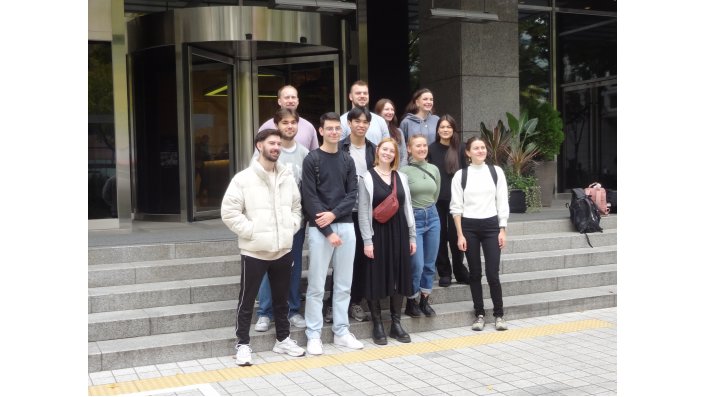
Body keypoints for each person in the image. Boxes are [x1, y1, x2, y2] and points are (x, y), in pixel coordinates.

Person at [221, 128, 306, 366]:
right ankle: (242, 345)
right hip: (254, 251)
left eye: (279, 144)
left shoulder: (287, 176)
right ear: (260, 145)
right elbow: (228, 213)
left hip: (282, 250)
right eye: (272, 143)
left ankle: (283, 339)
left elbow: (297, 207)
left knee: (282, 300)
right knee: (247, 301)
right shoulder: (243, 179)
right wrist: (252, 232)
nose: (276, 147)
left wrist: (291, 226)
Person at [301, 112, 364, 355]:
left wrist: (334, 216)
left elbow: (352, 195)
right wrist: (327, 229)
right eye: (329, 128)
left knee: (343, 284)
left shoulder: (347, 160)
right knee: (316, 285)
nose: (334, 132)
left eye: (338, 128)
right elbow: (310, 198)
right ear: (321, 131)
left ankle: (341, 331)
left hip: (346, 225)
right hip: (319, 229)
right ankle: (313, 334)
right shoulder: (312, 159)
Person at [252, 108, 309, 333]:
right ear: (277, 125)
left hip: (295, 222)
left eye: (293, 122)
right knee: (268, 267)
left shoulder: (304, 153)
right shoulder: (269, 149)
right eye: (285, 123)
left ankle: (292, 310)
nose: (289, 126)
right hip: (269, 222)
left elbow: (307, 189)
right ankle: (265, 313)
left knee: (293, 268)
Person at [358, 138, 416, 345]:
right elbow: (364, 212)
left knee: (399, 275)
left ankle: (396, 324)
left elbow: (407, 207)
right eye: (384, 149)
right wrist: (367, 240)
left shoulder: (401, 176)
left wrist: (412, 235)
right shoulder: (367, 177)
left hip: (399, 230)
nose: (388, 153)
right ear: (377, 152)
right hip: (377, 233)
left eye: (391, 150)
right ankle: (377, 324)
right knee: (376, 276)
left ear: (395, 155)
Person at [450, 136, 510, 332]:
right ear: (467, 152)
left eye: (483, 147)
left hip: (492, 226)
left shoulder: (496, 172)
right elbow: (456, 207)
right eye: (476, 148)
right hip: (469, 227)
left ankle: (499, 315)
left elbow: (502, 202)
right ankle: (479, 314)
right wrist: (460, 235)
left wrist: (503, 229)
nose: (480, 151)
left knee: (493, 273)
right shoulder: (461, 175)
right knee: (475, 273)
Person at [333, 106, 377, 323]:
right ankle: (333, 305)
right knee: (340, 260)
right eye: (357, 121)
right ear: (348, 123)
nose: (361, 125)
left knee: (361, 259)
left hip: (366, 212)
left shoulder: (374, 150)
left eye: (365, 122)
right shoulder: (340, 148)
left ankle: (355, 302)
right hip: (343, 211)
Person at [399, 134, 441, 318]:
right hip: (414, 219)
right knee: (416, 264)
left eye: (424, 145)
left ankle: (424, 300)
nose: (422, 148)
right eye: (418, 146)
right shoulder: (404, 172)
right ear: (409, 148)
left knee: (429, 264)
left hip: (432, 217)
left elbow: (436, 194)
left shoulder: (434, 169)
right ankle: (411, 300)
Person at [427, 114, 470, 287]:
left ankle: (460, 270)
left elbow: (468, 174)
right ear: (437, 129)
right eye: (442, 127)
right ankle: (444, 272)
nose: (445, 130)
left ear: (454, 129)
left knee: (456, 236)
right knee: (440, 236)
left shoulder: (461, 148)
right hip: (436, 200)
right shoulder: (431, 149)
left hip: (457, 201)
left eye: (448, 127)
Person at [258, 85, 319, 151]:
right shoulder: (266, 127)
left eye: (293, 97)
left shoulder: (308, 127)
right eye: (287, 97)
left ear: (297, 101)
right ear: (279, 101)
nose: (290, 100)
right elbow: (258, 156)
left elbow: (315, 157)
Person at [339, 80, 389, 144]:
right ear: (350, 96)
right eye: (358, 93)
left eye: (365, 93)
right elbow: (339, 149)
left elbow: (387, 146)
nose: (362, 96)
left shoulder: (380, 121)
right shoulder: (342, 121)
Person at [374, 98, 407, 166]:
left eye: (392, 110)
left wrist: (398, 171)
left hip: (397, 171)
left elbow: (404, 155)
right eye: (386, 109)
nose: (390, 112)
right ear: (379, 111)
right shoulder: (374, 131)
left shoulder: (399, 132)